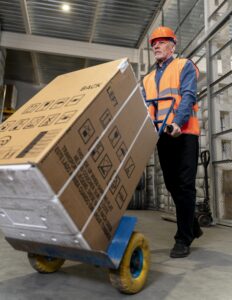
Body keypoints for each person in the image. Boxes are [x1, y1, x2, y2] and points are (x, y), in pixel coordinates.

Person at [142, 26, 203, 258]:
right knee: (172, 184)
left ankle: (183, 238)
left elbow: (188, 95)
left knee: (186, 184)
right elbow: (148, 108)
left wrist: (178, 122)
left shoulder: (184, 65)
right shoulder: (147, 79)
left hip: (184, 133)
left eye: (161, 42)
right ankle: (192, 226)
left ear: (172, 45)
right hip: (163, 136)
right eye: (153, 43)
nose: (156, 46)